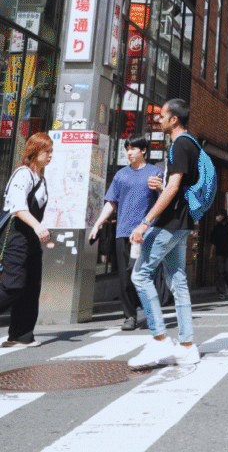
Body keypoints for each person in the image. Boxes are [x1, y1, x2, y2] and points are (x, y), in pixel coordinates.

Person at [127, 98, 201, 369]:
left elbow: (174, 188)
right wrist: (162, 187)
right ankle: (187, 346)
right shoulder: (191, 144)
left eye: (162, 116)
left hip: (169, 223)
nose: (158, 120)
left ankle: (159, 339)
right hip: (182, 223)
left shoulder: (180, 144)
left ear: (174, 120)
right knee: (178, 281)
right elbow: (175, 188)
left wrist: (145, 221)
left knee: (140, 274)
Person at [89, 134, 159, 330]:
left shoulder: (154, 172)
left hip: (143, 233)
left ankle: (149, 309)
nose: (129, 152)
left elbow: (163, 201)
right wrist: (98, 224)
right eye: (127, 149)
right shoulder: (121, 175)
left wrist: (161, 188)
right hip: (122, 232)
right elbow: (111, 202)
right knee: (124, 276)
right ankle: (130, 317)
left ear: (143, 150)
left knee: (138, 272)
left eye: (133, 149)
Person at [0, 132, 52, 348]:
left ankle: (20, 335)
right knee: (13, 285)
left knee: (31, 287)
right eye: (46, 151)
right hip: (16, 236)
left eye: (51, 152)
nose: (50, 156)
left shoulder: (41, 178)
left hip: (31, 239)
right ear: (35, 151)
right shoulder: (23, 174)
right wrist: (38, 225)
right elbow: (18, 208)